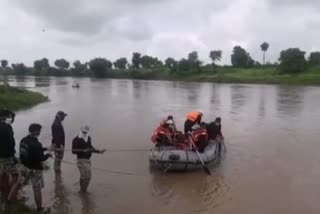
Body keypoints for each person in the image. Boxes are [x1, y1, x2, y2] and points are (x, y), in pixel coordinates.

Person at [9, 123, 52, 213]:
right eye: (39, 131)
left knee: (18, 183)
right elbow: (41, 158)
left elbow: (31, 149)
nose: (40, 132)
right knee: (37, 188)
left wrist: (46, 148)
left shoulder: (23, 140)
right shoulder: (37, 144)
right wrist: (48, 154)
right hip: (35, 170)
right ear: (36, 131)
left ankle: (10, 200)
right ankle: (39, 209)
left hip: (24, 167)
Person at [72, 126, 106, 193]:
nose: (85, 133)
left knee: (88, 176)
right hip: (81, 160)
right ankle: (82, 191)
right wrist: (83, 151)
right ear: (81, 131)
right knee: (86, 176)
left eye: (86, 132)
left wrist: (99, 151)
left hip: (88, 160)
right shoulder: (76, 139)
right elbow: (73, 151)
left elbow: (90, 147)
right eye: (83, 132)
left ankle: (83, 190)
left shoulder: (88, 138)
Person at [0, 109, 17, 205]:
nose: (11, 119)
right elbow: (9, 143)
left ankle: (4, 192)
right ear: (4, 117)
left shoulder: (5, 126)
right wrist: (12, 155)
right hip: (5, 155)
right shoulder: (6, 128)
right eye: (10, 117)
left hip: (2, 155)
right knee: (15, 176)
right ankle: (10, 197)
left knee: (3, 174)